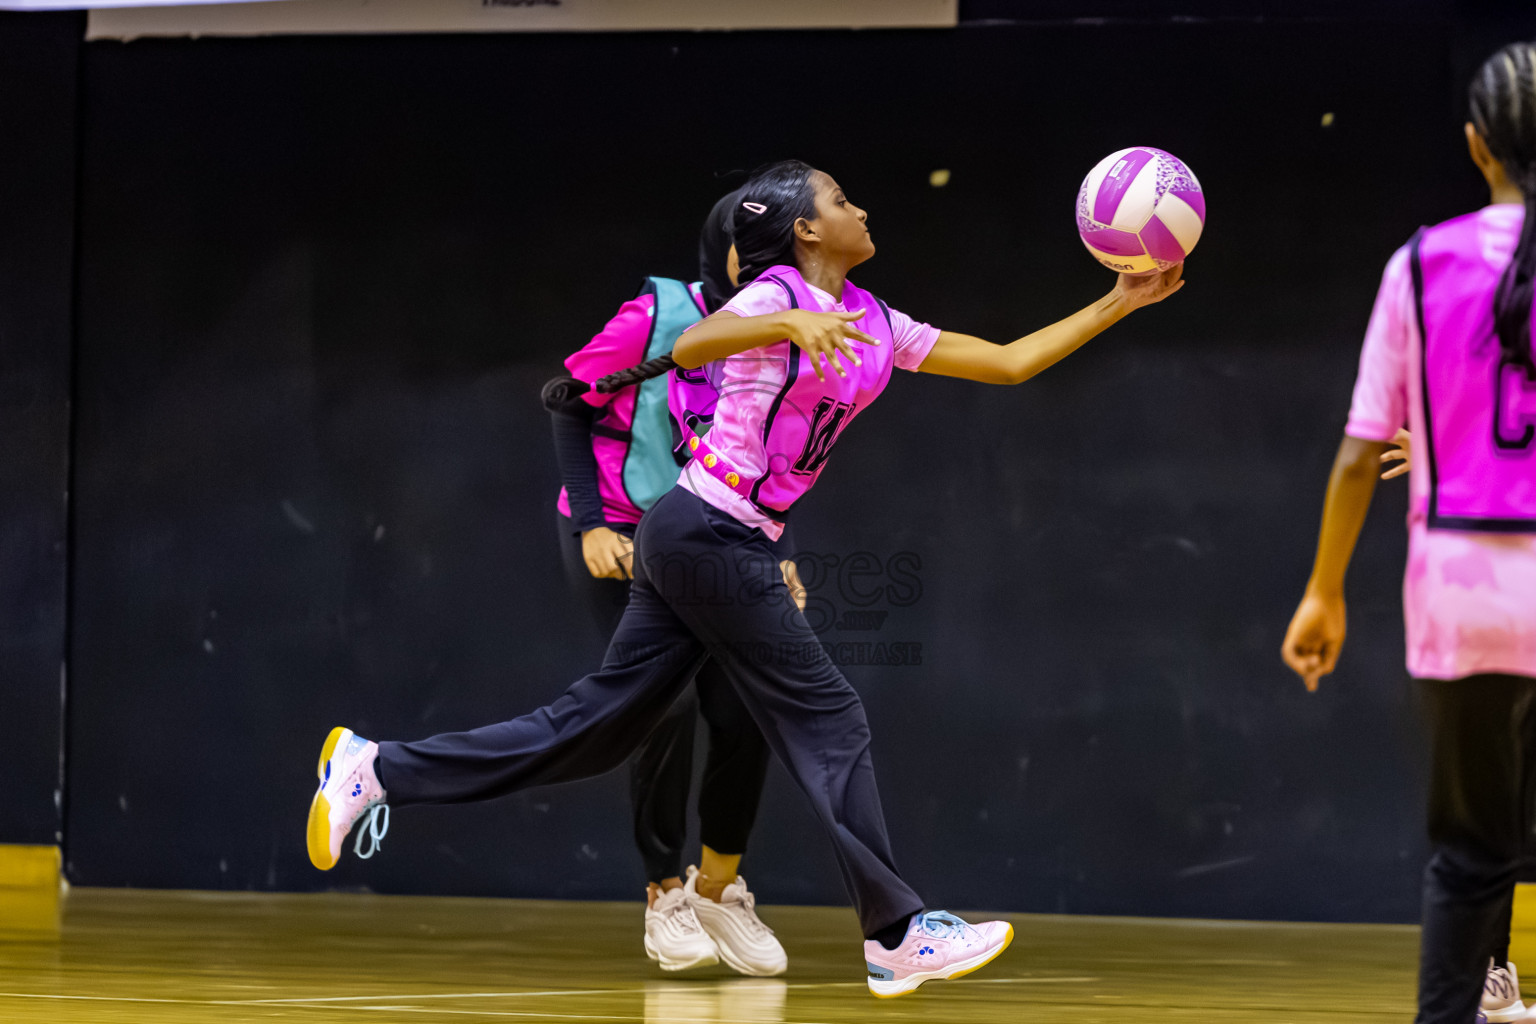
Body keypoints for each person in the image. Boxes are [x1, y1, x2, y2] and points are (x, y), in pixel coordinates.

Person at [306, 158, 1183, 997]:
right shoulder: (778, 293)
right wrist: (786, 322)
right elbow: (694, 342)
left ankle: (376, 770)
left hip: (715, 537)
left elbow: (1007, 362)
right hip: (705, 532)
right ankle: (896, 935)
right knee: (828, 715)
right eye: (841, 199)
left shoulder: (875, 318)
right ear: (805, 229)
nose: (862, 210)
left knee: (601, 727)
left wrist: (1119, 300)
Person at [1280, 41, 1536, 1024]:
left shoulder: (1422, 264)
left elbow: (1356, 454)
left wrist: (1323, 589)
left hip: (1465, 587)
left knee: (1471, 848)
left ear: (1477, 146)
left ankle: (1465, 1000)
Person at [543, 188, 792, 976]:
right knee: (666, 703)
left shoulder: (778, 335)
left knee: (746, 701)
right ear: (724, 251)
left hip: (714, 537)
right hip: (624, 527)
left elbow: (771, 459)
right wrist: (591, 523)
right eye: (755, 250)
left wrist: (772, 553)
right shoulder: (655, 318)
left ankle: (719, 887)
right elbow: (568, 406)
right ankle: (663, 892)